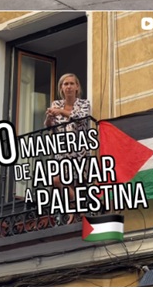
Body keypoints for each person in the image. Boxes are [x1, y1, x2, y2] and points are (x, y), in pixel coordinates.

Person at [44, 72, 92, 223]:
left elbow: (80, 118)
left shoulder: (84, 103)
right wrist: (49, 118)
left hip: (80, 151)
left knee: (78, 182)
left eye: (72, 83)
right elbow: (49, 128)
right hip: (62, 151)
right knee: (57, 180)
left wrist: (60, 112)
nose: (69, 87)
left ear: (77, 87)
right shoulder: (56, 104)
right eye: (66, 84)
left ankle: (74, 212)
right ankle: (76, 205)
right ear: (61, 88)